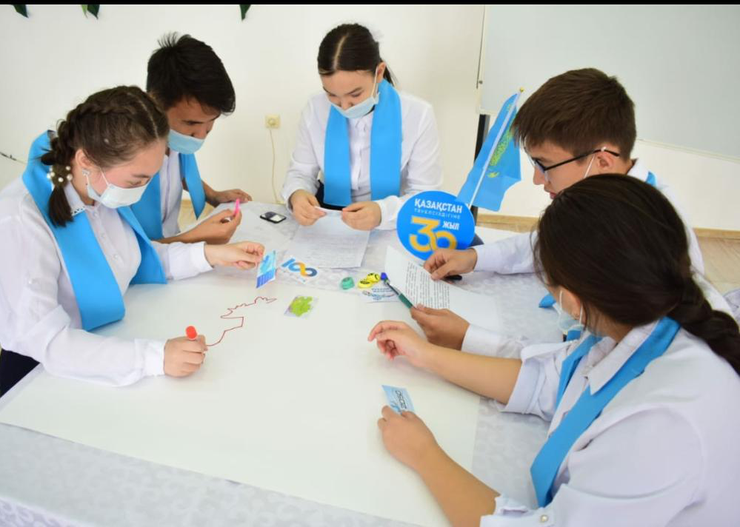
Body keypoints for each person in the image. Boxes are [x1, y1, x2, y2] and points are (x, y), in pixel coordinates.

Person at [369, 175, 740, 526]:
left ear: (572, 300)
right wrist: (427, 355)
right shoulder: (641, 317)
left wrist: (425, 455)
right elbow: (551, 381)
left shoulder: (662, 428)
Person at [0, 86, 263, 395]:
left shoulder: (99, 189)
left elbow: (135, 257)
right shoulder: (20, 218)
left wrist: (211, 254)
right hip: (43, 375)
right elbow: (47, 341)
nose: (141, 190)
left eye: (150, 178)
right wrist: (155, 357)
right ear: (87, 160)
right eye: (137, 180)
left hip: (106, 342)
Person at [415, 68, 708, 350]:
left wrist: (471, 340)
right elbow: (543, 244)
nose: (537, 179)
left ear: (602, 161)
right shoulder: (604, 199)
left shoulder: (655, 233)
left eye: (545, 164)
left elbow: (589, 363)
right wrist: (475, 257)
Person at [282, 23, 442, 231]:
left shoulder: (418, 114)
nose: (344, 107)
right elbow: (300, 172)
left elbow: (425, 196)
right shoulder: (315, 108)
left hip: (392, 220)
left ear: (379, 73)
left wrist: (383, 212)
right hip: (328, 218)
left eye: (355, 94)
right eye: (332, 95)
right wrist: (297, 194)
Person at [132, 33, 252, 245]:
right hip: (144, 255)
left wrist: (213, 195)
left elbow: (177, 173)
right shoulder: (124, 155)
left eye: (211, 121)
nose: (201, 134)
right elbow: (128, 253)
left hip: (171, 242)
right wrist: (195, 237)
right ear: (155, 102)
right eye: (191, 124)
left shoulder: (174, 138)